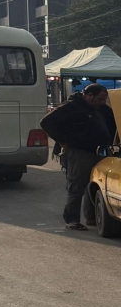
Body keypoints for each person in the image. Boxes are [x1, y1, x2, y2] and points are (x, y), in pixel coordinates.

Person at [41, 84, 115, 231]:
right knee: (77, 186)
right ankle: (72, 220)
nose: (102, 102)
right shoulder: (71, 107)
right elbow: (46, 122)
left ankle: (92, 217)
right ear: (89, 95)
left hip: (100, 152)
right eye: (100, 99)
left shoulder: (100, 108)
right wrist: (63, 140)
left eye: (104, 100)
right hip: (79, 152)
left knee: (94, 185)